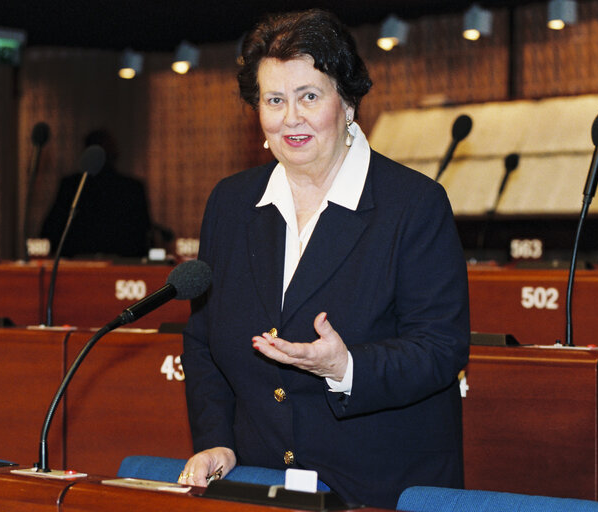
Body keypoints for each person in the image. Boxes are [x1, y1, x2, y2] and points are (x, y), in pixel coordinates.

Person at [178, 9, 470, 509]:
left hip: (381, 489)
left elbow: (441, 349)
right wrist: (216, 439)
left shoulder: (414, 204)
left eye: (308, 96)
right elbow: (203, 343)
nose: (290, 117)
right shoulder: (230, 204)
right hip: (259, 485)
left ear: (348, 102)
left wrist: (346, 366)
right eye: (274, 100)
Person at [40, 129, 152, 258]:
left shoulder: (131, 188)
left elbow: (143, 235)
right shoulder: (73, 186)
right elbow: (52, 230)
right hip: (78, 266)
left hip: (121, 266)